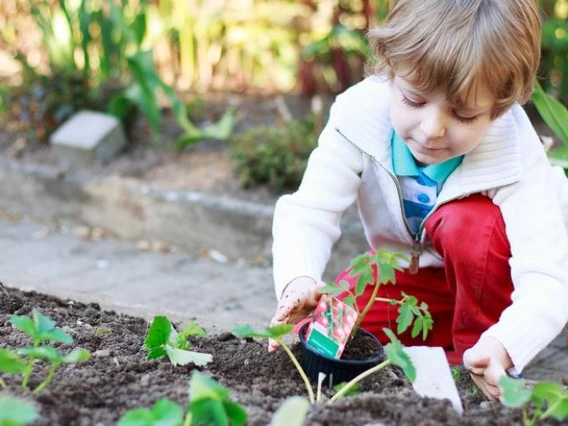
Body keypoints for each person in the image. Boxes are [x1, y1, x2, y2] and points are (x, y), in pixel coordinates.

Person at [268, 0, 568, 401]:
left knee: (468, 223)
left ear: (500, 107)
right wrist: (299, 279)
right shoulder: (358, 116)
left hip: (494, 287)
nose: (431, 130)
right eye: (413, 100)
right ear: (390, 70)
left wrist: (505, 344)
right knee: (323, 336)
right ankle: (436, 344)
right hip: (412, 279)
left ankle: (472, 361)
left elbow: (547, 278)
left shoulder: (512, 149)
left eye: (463, 115)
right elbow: (309, 213)